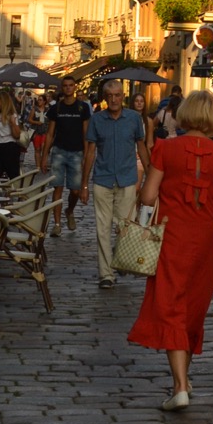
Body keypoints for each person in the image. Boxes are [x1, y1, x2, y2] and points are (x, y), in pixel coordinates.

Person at [128, 88, 213, 409]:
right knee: (193, 308)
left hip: (171, 237)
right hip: (206, 240)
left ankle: (179, 386)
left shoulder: (167, 149)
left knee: (171, 305)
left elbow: (148, 196)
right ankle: (185, 379)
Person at [86, 79, 149, 287]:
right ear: (105, 98)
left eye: (117, 95)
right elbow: (91, 151)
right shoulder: (97, 120)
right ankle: (106, 274)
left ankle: (119, 256)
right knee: (102, 228)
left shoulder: (133, 119)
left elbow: (141, 147)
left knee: (126, 227)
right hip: (103, 179)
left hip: (127, 178)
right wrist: (84, 183)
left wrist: (150, 176)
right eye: (110, 96)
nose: (114, 99)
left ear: (123, 97)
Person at [41, 88, 89, 232]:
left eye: (71, 85)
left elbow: (86, 133)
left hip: (76, 152)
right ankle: (57, 224)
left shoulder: (83, 107)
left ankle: (69, 211)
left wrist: (86, 155)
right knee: (57, 188)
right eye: (65, 85)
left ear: (74, 87)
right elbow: (50, 133)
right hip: (59, 151)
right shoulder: (56, 108)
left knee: (75, 191)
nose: (68, 88)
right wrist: (45, 155)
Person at [0, 86, 23, 179]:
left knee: (13, 176)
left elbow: (17, 135)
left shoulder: (11, 115)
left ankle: (14, 192)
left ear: (3, 102)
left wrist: (12, 124)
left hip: (8, 147)